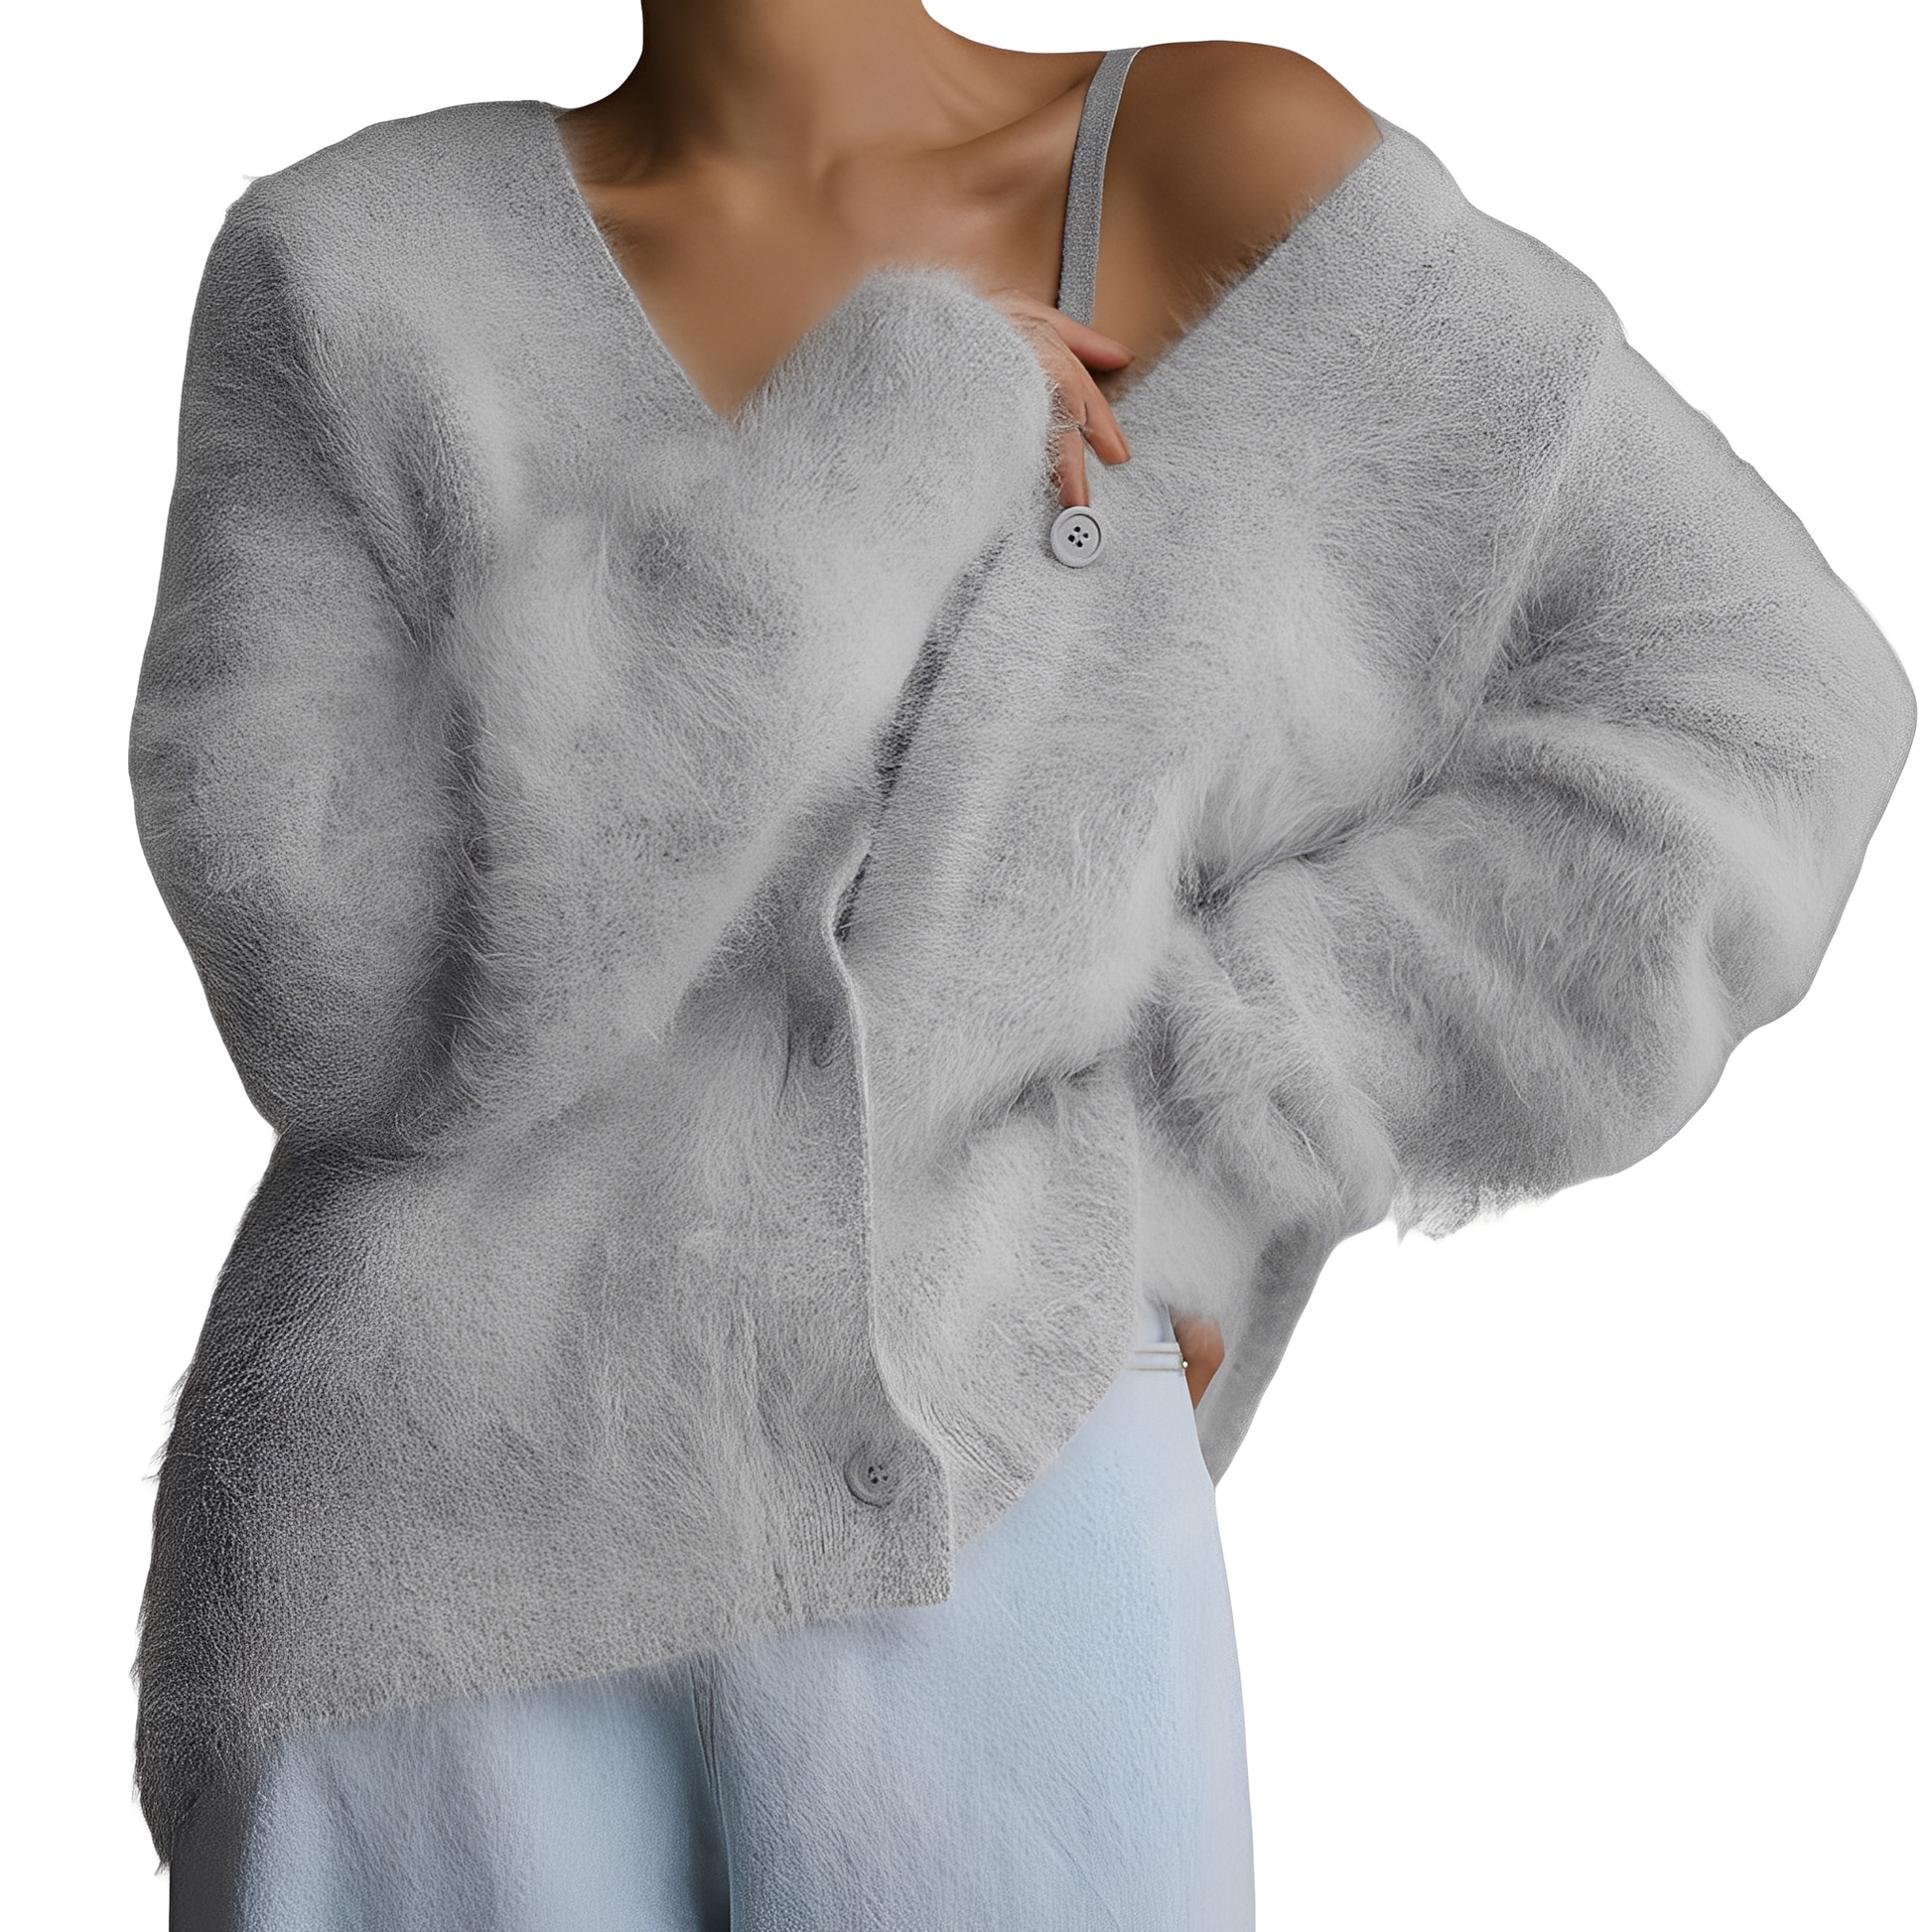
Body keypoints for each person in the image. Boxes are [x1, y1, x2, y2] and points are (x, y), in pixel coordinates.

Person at [129, 7, 1914, 1928]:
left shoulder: (1219, 166)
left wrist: (1219, 1124)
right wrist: (871, 448)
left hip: (1003, 1510)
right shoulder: (353, 264)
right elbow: (338, 992)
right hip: (409, 1589)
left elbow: (1760, 708)